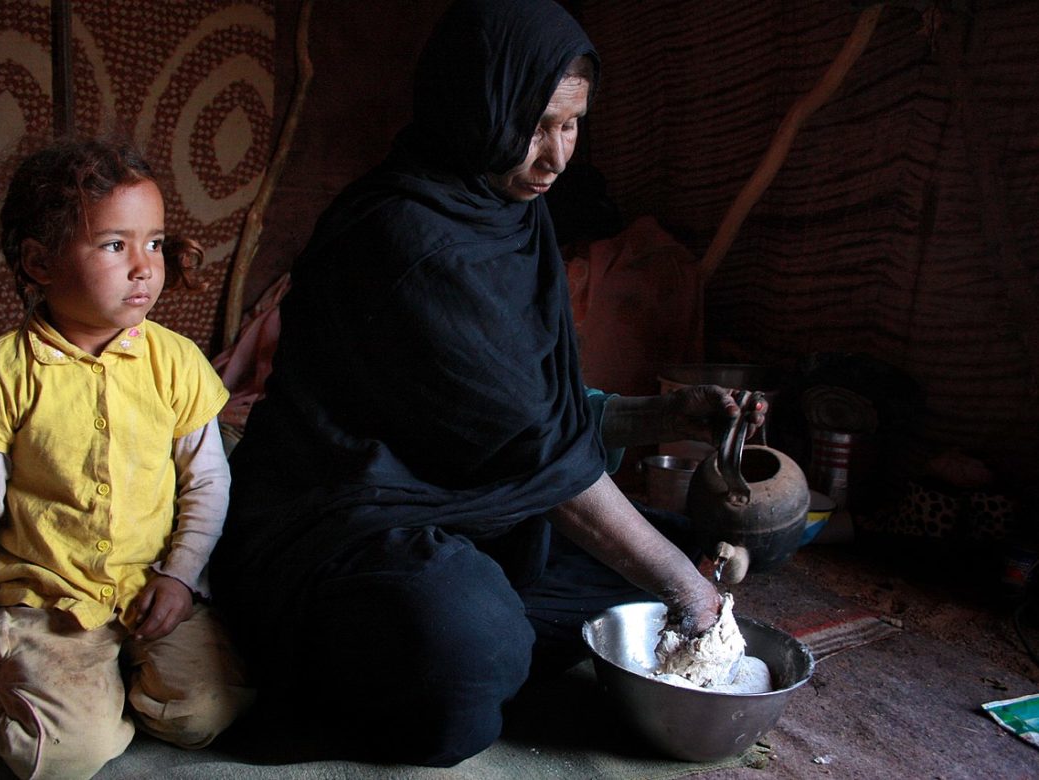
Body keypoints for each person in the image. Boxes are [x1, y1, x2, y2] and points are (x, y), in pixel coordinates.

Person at [211, 0, 764, 767]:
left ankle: (474, 624)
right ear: (471, 105)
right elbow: (536, 452)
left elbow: (529, 414)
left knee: (683, 547)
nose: (556, 157)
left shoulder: (505, 211)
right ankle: (450, 645)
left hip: (470, 502)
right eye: (536, 124)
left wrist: (667, 414)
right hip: (348, 517)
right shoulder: (408, 238)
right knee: (475, 653)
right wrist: (690, 597)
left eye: (572, 125)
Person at [0, 137, 254, 779]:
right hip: (49, 602)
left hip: (153, 585)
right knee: (64, 754)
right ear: (40, 263)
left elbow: (207, 482)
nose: (144, 267)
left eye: (154, 243)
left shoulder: (177, 362)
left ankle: (126, 680)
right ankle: (45, 696)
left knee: (204, 714)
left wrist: (182, 576)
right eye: (114, 245)